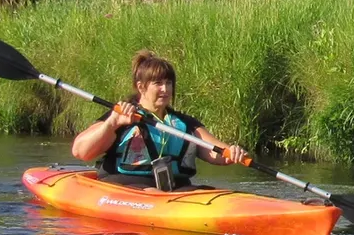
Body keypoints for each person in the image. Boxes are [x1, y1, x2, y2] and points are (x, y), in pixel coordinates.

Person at [69, 50, 246, 189]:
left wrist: (231, 153)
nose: (165, 89)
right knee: (151, 192)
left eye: (168, 83)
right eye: (158, 83)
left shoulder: (183, 124)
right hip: (124, 185)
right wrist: (112, 124)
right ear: (141, 87)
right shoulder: (122, 116)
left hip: (173, 188)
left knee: (203, 190)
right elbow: (80, 151)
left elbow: (215, 151)